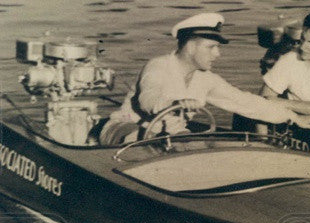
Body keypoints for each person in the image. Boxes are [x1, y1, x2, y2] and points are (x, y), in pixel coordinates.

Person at [99, 13, 299, 144]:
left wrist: (291, 117)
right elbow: (148, 100)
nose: (217, 54)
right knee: (144, 142)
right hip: (125, 130)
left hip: (169, 137)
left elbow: (245, 102)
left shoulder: (206, 79)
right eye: (211, 47)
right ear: (191, 47)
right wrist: (175, 103)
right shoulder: (158, 66)